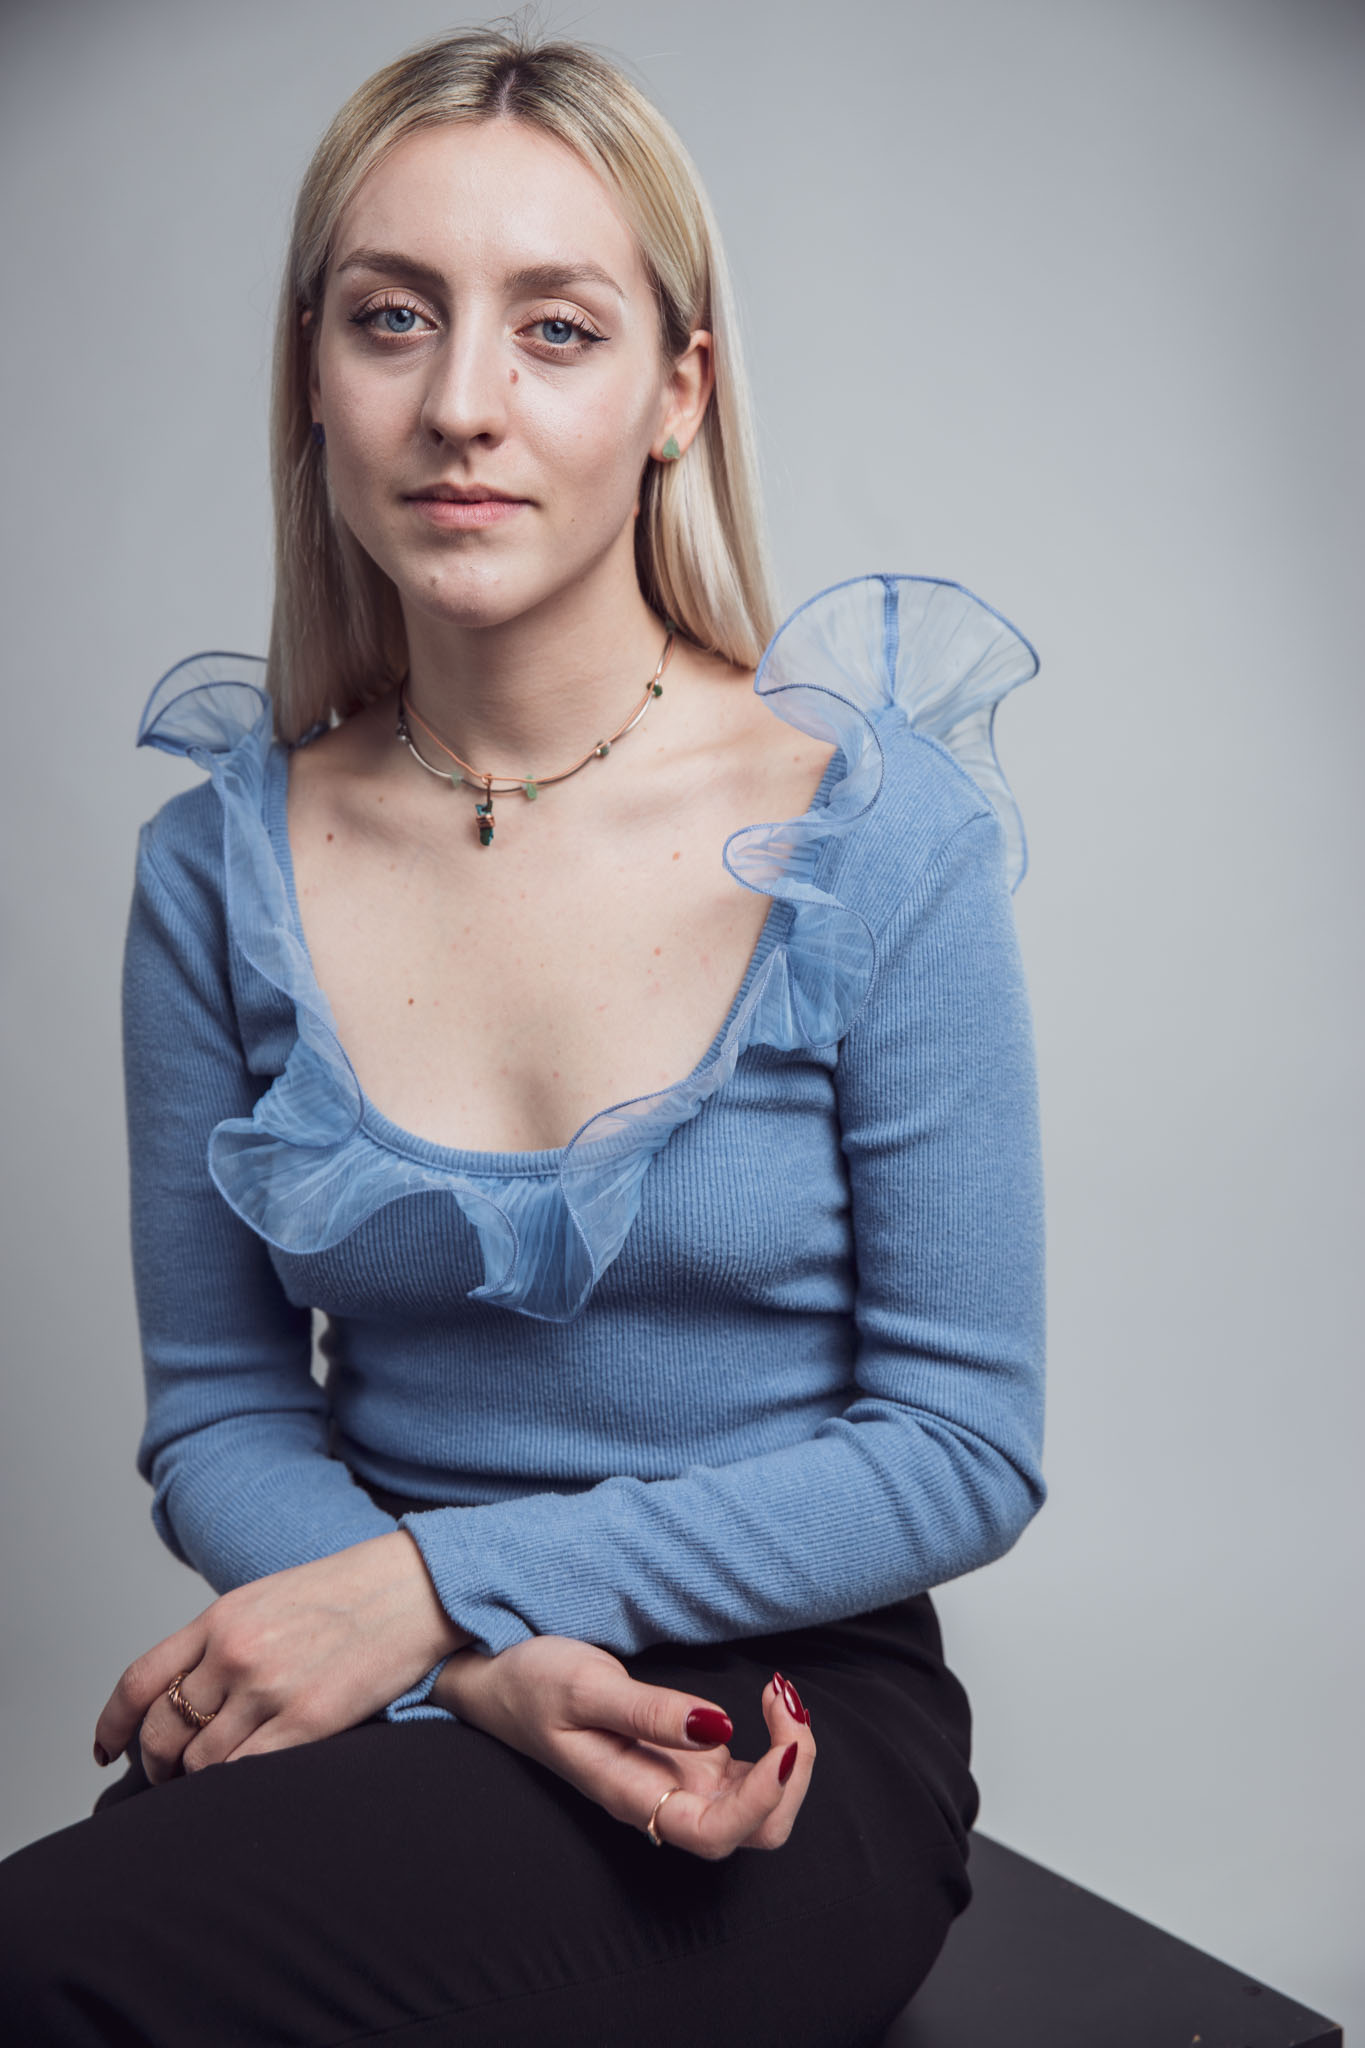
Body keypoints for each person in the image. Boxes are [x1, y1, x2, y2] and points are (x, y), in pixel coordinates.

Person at [0, 21, 1046, 2045]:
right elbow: (220, 1411)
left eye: (555, 330)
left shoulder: (872, 831)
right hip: (393, 1686)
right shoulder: (212, 868)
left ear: (677, 392)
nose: (460, 403)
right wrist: (462, 1658)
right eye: (392, 318)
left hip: (762, 1720)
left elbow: (958, 1447)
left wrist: (436, 1587)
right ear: (312, 374)